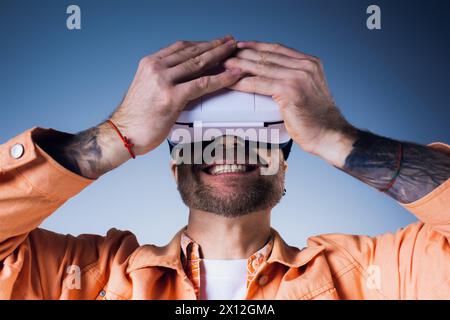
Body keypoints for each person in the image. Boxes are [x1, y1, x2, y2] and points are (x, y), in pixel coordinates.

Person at [0, 35, 448, 300]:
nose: (230, 147)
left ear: (285, 168)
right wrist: (115, 136)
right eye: (205, 138)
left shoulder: (369, 276)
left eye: (255, 135)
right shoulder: (80, 276)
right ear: (174, 169)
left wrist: (340, 139)